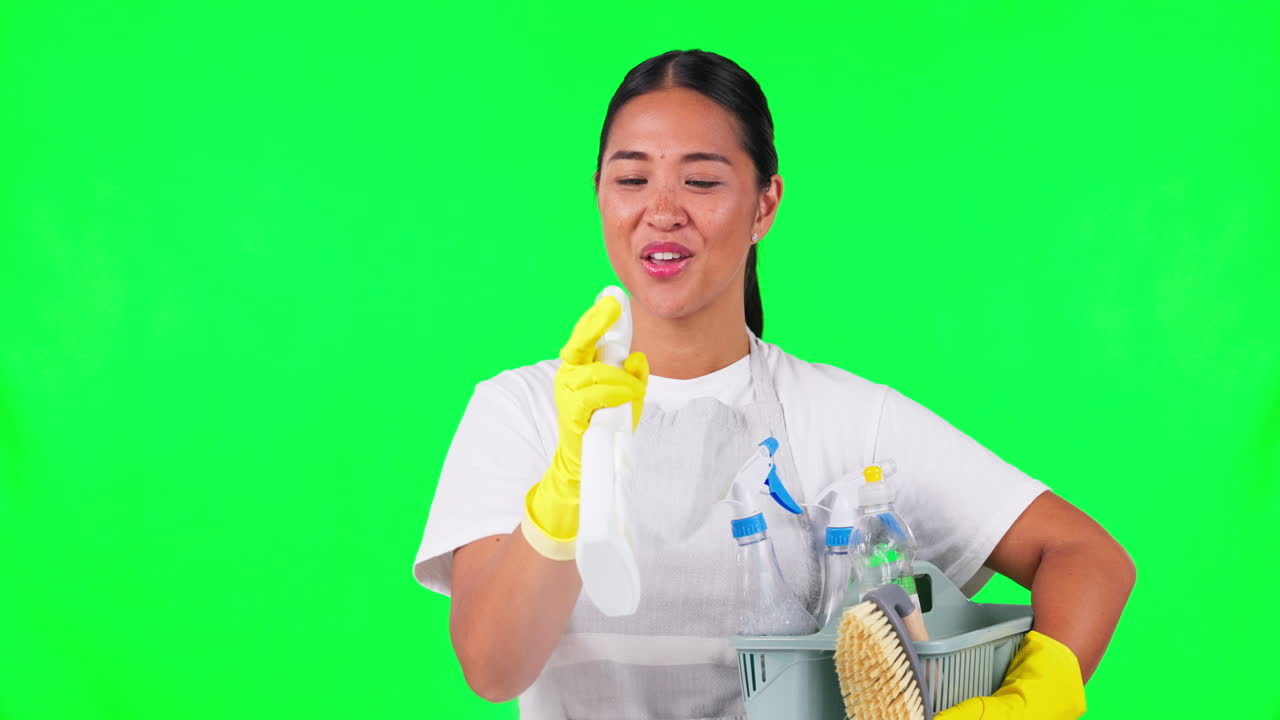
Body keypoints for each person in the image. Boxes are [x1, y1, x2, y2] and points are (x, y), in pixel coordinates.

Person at [413, 49, 1134, 720]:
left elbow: (1087, 558)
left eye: (701, 180)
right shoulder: (524, 414)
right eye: (633, 179)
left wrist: (1033, 698)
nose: (662, 211)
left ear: (764, 205)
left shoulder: (847, 423)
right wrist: (566, 491)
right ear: (599, 194)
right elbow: (492, 669)